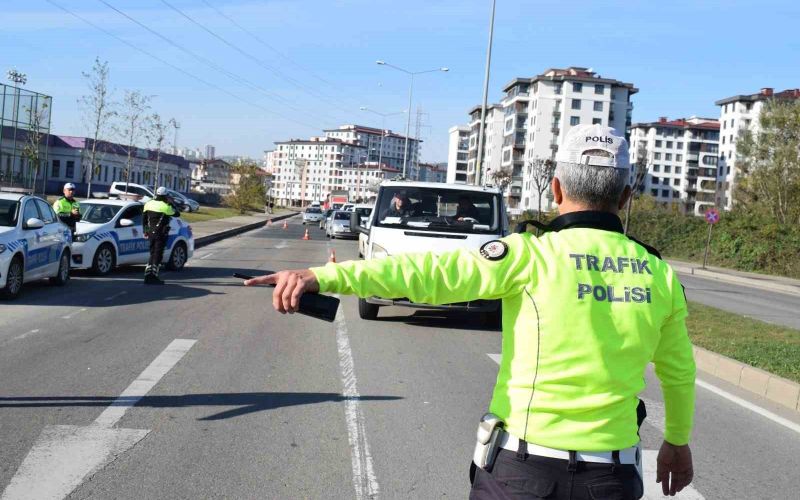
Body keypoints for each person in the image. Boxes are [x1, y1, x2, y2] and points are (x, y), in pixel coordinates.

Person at [244, 124, 696, 499]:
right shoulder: (659, 275)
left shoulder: (529, 255)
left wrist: (325, 278)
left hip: (523, 473)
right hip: (612, 480)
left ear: (555, 189)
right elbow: (677, 373)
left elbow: (428, 273)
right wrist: (676, 441)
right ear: (625, 196)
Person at [142, 186, 180, 285]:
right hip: (161, 233)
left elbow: (144, 220)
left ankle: (147, 276)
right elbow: (177, 213)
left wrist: (145, 232)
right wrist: (172, 203)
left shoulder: (148, 204)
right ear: (165, 196)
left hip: (150, 232)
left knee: (152, 253)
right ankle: (154, 276)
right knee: (158, 255)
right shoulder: (166, 207)